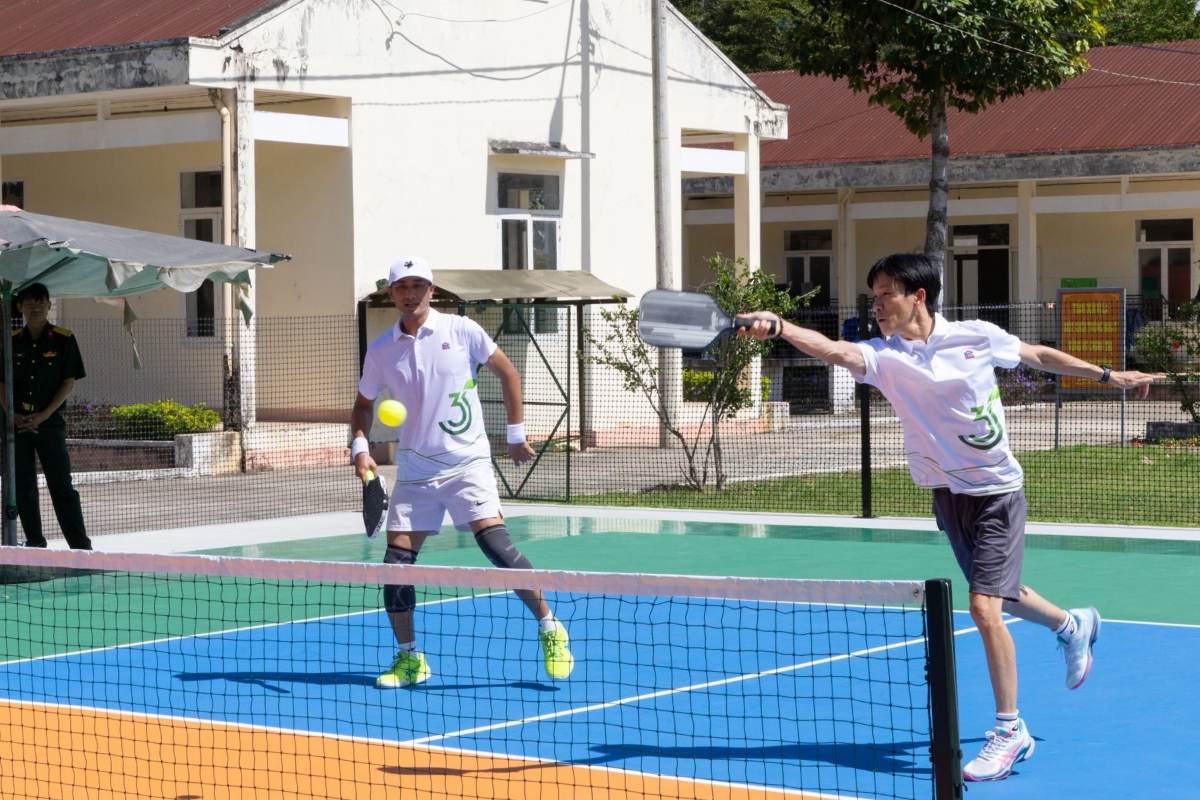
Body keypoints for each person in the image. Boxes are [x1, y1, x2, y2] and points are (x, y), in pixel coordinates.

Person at [738, 253, 1158, 782]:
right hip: (947, 494)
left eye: (886, 293)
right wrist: (780, 326)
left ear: (917, 296)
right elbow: (833, 349)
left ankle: (1011, 731)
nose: (877, 305)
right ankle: (1072, 625)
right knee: (1000, 592)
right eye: (873, 296)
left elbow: (1037, 355)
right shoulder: (883, 356)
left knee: (983, 606)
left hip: (996, 492)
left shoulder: (974, 336)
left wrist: (1108, 374)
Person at [350, 256, 574, 688]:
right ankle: (410, 658)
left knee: (497, 548)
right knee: (396, 566)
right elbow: (362, 405)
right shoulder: (380, 349)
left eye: (418, 286)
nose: (410, 294)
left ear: (432, 291)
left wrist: (515, 434)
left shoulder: (462, 330)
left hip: (467, 463)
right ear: (391, 293)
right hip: (416, 470)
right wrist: (361, 448)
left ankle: (549, 626)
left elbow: (508, 373)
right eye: (402, 287)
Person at [0, 282, 92, 550]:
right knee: (23, 488)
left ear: (49, 306)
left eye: (41, 302)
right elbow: (1, 383)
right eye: (29, 303)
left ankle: (80, 547)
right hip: (16, 425)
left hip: (49, 425)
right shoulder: (10, 340)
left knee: (61, 486)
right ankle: (35, 544)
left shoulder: (64, 339)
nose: (35, 308)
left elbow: (68, 382)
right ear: (20, 307)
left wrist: (44, 414)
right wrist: (11, 413)